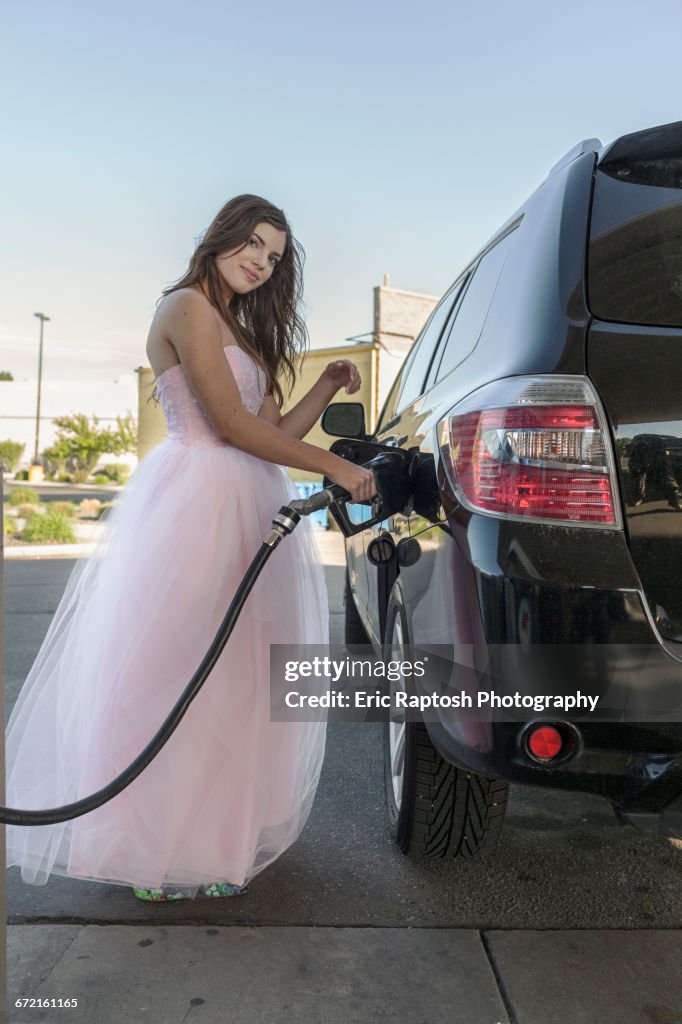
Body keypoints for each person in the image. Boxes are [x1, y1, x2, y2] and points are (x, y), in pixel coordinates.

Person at [5, 194, 376, 902]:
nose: (262, 263)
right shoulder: (184, 307)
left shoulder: (239, 326)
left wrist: (325, 389)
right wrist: (334, 466)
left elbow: (273, 430)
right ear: (222, 237)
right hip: (198, 505)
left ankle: (211, 843)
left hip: (251, 504)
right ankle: (151, 846)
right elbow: (230, 426)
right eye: (254, 246)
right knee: (177, 668)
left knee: (236, 679)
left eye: (274, 257)